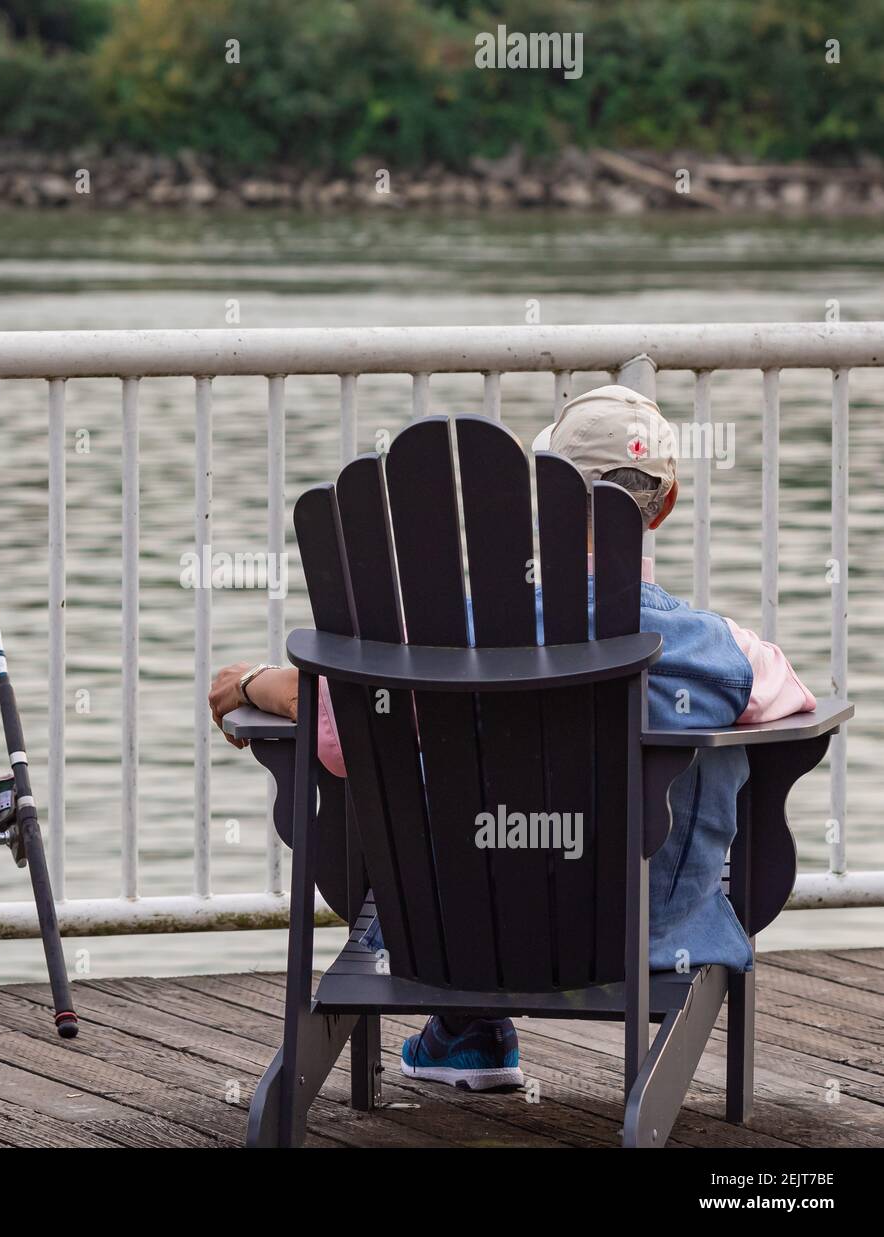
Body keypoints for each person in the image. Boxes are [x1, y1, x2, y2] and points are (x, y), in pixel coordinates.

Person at [208, 385, 816, 1093]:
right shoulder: (709, 650)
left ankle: (469, 1029)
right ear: (667, 503)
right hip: (650, 937)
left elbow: (344, 734)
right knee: (724, 743)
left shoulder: (448, 637)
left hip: (459, 931)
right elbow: (792, 696)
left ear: (541, 501)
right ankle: (475, 1035)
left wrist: (264, 681)